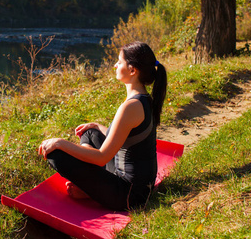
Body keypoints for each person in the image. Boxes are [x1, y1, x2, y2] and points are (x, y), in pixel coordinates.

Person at [38, 41, 167, 211]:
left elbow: (101, 157)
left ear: (132, 70)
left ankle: (89, 186)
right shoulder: (143, 98)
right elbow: (126, 138)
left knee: (55, 153)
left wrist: (61, 143)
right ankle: (90, 180)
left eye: (119, 62)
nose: (115, 65)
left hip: (130, 196)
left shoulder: (131, 107)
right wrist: (98, 126)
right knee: (90, 132)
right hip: (136, 185)